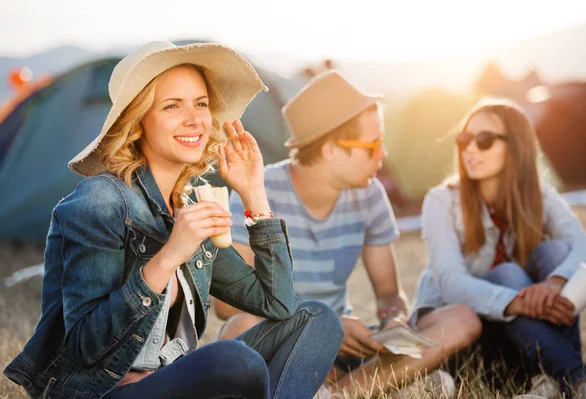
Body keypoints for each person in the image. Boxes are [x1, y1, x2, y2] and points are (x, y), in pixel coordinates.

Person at [3, 41, 343, 399]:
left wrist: (254, 193)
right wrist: (169, 256)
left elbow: (279, 305)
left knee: (316, 320)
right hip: (103, 393)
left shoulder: (190, 203)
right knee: (234, 362)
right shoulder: (100, 202)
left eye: (201, 104)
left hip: (173, 381)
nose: (195, 119)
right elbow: (85, 347)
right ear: (138, 123)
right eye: (171, 106)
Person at [213, 71, 482, 397]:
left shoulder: (370, 195)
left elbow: (388, 295)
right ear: (330, 150)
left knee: (461, 319)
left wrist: (393, 319)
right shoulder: (258, 188)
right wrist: (323, 322)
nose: (382, 155)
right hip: (283, 341)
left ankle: (338, 393)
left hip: (348, 346)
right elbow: (227, 306)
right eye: (373, 146)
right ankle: (381, 385)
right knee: (238, 329)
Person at [412, 98, 586, 398]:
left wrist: (554, 283)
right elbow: (450, 282)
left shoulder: (540, 196)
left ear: (515, 146)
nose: (470, 149)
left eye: (484, 140)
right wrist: (517, 300)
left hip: (521, 340)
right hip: (464, 342)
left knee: (554, 255)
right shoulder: (441, 201)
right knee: (509, 273)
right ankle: (577, 380)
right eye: (464, 139)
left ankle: (549, 380)